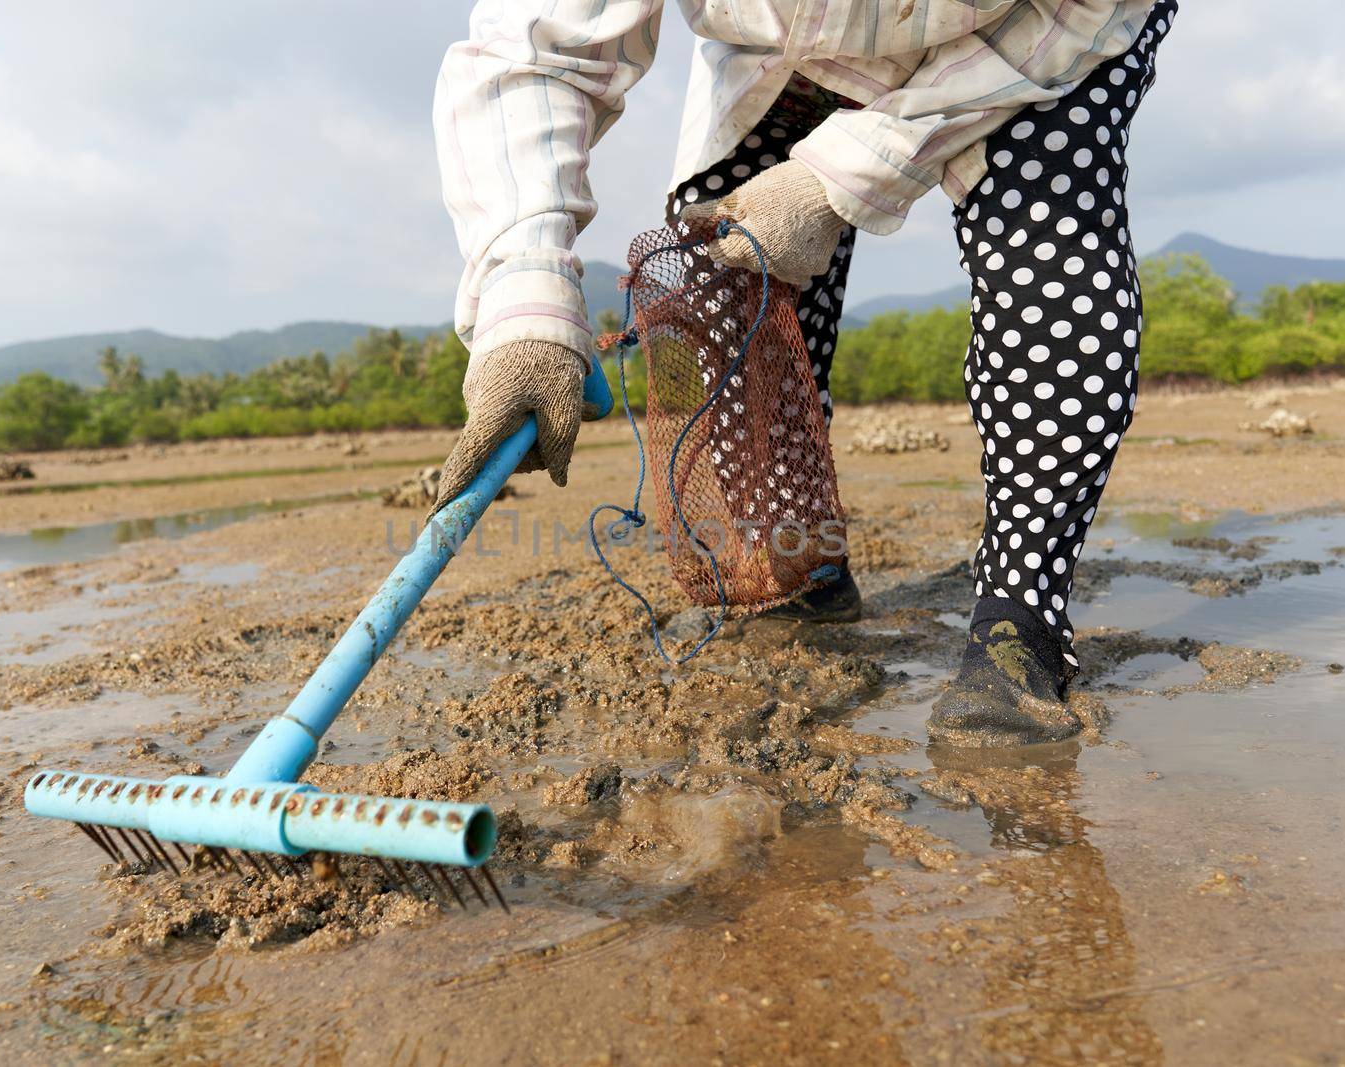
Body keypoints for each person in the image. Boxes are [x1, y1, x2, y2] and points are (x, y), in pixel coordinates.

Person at [431, 0, 1177, 746]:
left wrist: (843, 177)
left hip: (1041, 33)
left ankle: (1021, 620)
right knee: (718, 256)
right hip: (790, 50)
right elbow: (533, 53)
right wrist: (524, 300)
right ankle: (798, 572)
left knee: (1048, 237)